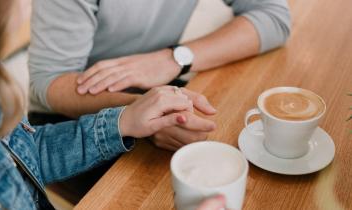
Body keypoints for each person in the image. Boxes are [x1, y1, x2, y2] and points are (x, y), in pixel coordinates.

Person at [0, 0, 216, 208]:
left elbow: (28, 154)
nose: (29, 6)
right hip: (61, 116)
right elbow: (48, 81)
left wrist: (123, 120)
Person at [29, 0, 291, 151]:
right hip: (67, 117)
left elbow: (274, 17)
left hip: (152, 85)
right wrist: (140, 112)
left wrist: (175, 58)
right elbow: (49, 81)